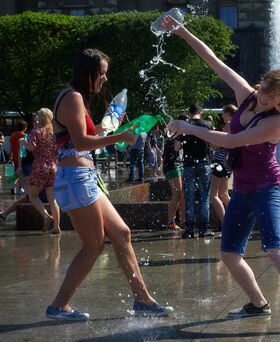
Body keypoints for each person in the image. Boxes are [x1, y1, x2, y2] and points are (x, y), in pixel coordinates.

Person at [162, 16, 280, 337]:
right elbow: (213, 60)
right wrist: (181, 32)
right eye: (264, 90)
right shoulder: (246, 94)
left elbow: (233, 141)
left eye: (272, 96)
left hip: (268, 188)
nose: (264, 97)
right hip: (243, 188)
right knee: (229, 253)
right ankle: (258, 302)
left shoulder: (276, 122)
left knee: (275, 248)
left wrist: (191, 127)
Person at [46, 48, 172, 321]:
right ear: (87, 73)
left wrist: (107, 131)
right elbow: (80, 143)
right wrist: (120, 138)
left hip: (83, 178)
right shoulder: (74, 98)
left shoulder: (73, 97)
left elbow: (77, 138)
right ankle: (59, 304)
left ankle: (143, 299)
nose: (104, 79)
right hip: (76, 179)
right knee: (93, 246)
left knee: (122, 233)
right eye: (101, 74)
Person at [20, 108, 61, 234]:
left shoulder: (36, 131)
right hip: (53, 167)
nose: (36, 116)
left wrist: (23, 143)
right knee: (52, 198)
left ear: (42, 117)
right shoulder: (54, 132)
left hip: (40, 166)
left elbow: (32, 148)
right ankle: (57, 227)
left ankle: (46, 216)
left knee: (32, 195)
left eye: (38, 114)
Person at [180, 104, 213, 239]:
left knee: (190, 198)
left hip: (188, 165)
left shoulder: (184, 125)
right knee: (205, 197)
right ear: (201, 112)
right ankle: (203, 229)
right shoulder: (207, 124)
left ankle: (189, 230)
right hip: (204, 163)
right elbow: (213, 142)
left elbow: (177, 147)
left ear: (189, 112)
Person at [210, 104, 237, 230]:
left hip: (219, 162)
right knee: (224, 194)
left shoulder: (229, 125)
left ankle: (226, 223)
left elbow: (218, 143)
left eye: (223, 113)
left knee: (214, 195)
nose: (221, 116)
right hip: (227, 163)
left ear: (228, 114)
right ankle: (236, 218)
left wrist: (210, 141)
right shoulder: (237, 125)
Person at [163, 114, 187, 230]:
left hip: (178, 164)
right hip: (172, 166)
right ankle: (170, 222)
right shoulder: (174, 133)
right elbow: (177, 148)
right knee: (177, 194)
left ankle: (183, 221)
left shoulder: (174, 132)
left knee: (181, 194)